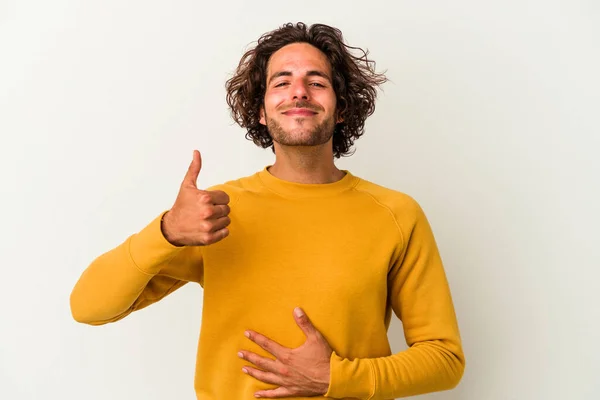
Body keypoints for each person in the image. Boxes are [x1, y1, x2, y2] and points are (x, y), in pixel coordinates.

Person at [70, 22, 465, 399]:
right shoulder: (213, 212)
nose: (299, 93)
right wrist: (167, 231)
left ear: (341, 109)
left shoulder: (395, 214)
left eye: (316, 82)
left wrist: (336, 377)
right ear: (260, 111)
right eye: (282, 82)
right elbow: (88, 307)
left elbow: (445, 359)